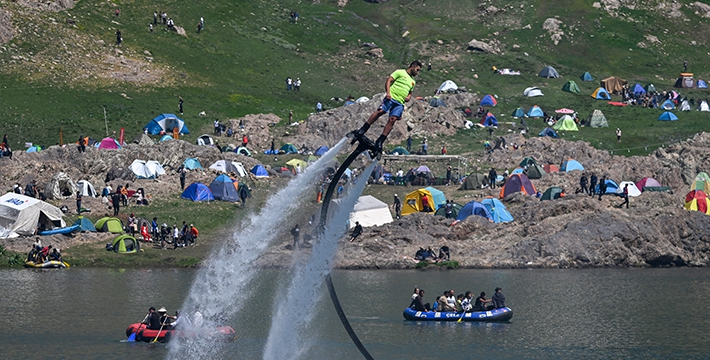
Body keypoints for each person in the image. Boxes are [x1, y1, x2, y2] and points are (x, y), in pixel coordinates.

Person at [351, 60, 422, 154]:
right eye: (417, 70)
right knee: (380, 111)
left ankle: (380, 140)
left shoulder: (413, 81)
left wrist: (409, 97)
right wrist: (388, 92)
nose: (418, 72)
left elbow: (410, 92)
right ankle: (363, 129)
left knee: (392, 119)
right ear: (413, 66)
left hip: (400, 103)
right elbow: (389, 80)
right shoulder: (400, 72)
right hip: (391, 97)